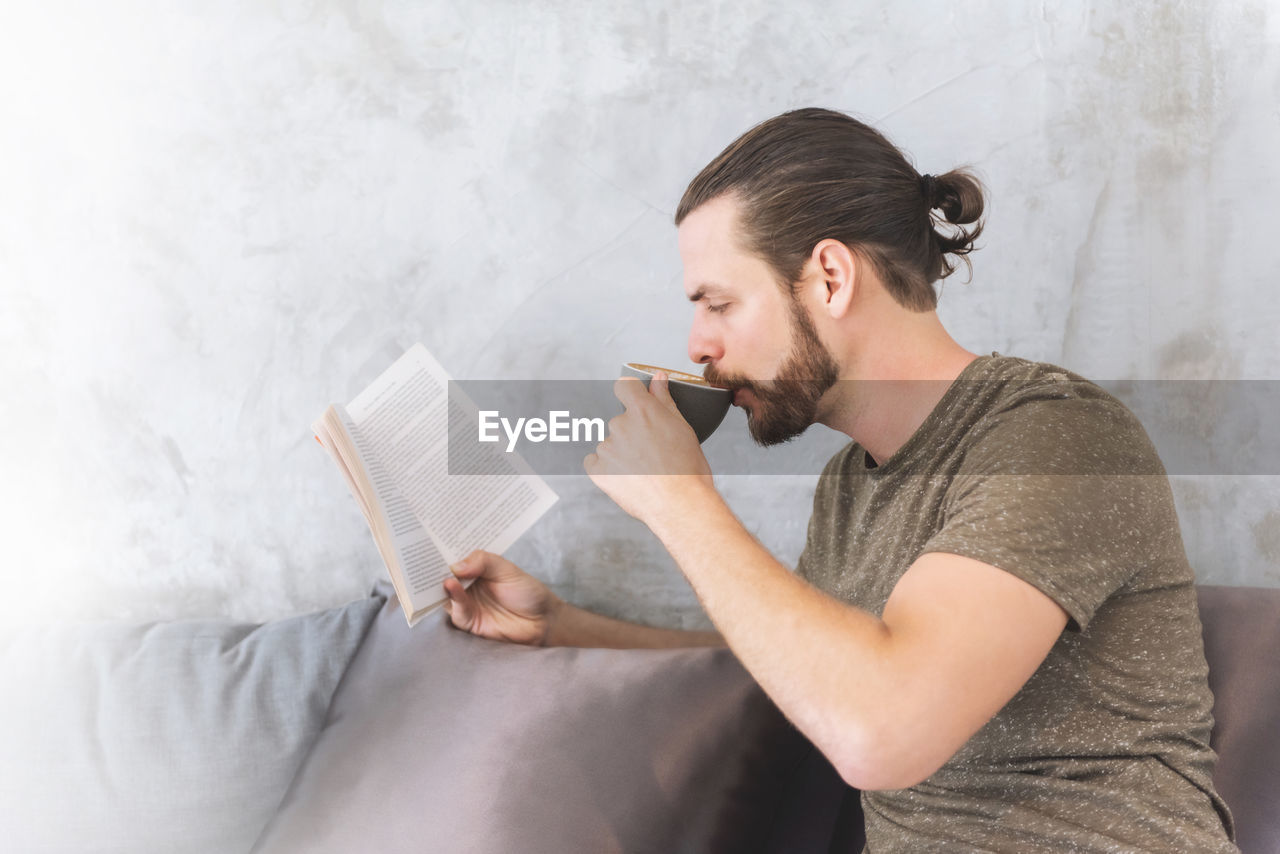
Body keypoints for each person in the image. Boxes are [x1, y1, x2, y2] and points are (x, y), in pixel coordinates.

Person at [440, 107, 1239, 852]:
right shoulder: (851, 485)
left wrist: (678, 500)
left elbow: (880, 730)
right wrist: (565, 627)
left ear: (829, 277)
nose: (696, 344)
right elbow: (798, 660)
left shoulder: (1058, 437)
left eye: (719, 303)